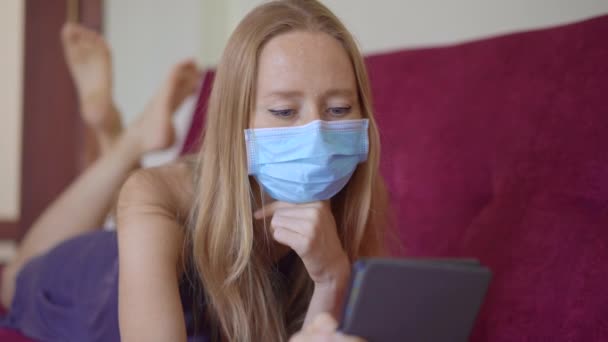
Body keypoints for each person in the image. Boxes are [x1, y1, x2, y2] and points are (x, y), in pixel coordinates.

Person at [2, 1, 388, 341]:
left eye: (338, 110)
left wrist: (331, 276)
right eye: (284, 111)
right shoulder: (157, 196)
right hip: (102, 284)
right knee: (12, 280)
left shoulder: (354, 195)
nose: (316, 135)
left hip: (167, 235)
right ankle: (126, 142)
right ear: (235, 119)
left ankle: (120, 135)